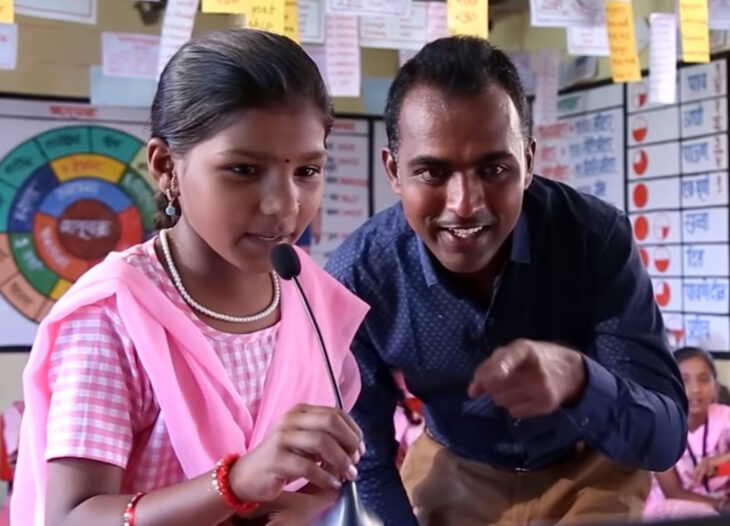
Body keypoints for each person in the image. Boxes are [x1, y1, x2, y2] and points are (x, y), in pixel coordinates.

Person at [325, 36, 688, 526]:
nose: (465, 204)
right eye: (431, 172)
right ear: (394, 171)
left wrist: (582, 381)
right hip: (455, 466)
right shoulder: (358, 277)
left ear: (529, 162)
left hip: (590, 469)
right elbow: (364, 461)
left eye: (494, 168)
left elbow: (663, 440)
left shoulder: (594, 239)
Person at [12, 29, 369, 526]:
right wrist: (236, 483)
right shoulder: (114, 318)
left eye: (307, 171)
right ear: (166, 167)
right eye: (244, 169)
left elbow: (315, 482)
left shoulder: (309, 297)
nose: (284, 204)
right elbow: (73, 517)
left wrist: (311, 502)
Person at [645, 347, 730, 519]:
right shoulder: (659, 429)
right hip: (674, 505)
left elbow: (726, 468)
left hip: (721, 499)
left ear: (716, 388)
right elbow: (673, 492)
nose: (695, 389)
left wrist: (723, 460)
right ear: (670, 386)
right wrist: (721, 506)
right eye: (684, 380)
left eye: (704, 380)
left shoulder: (724, 416)